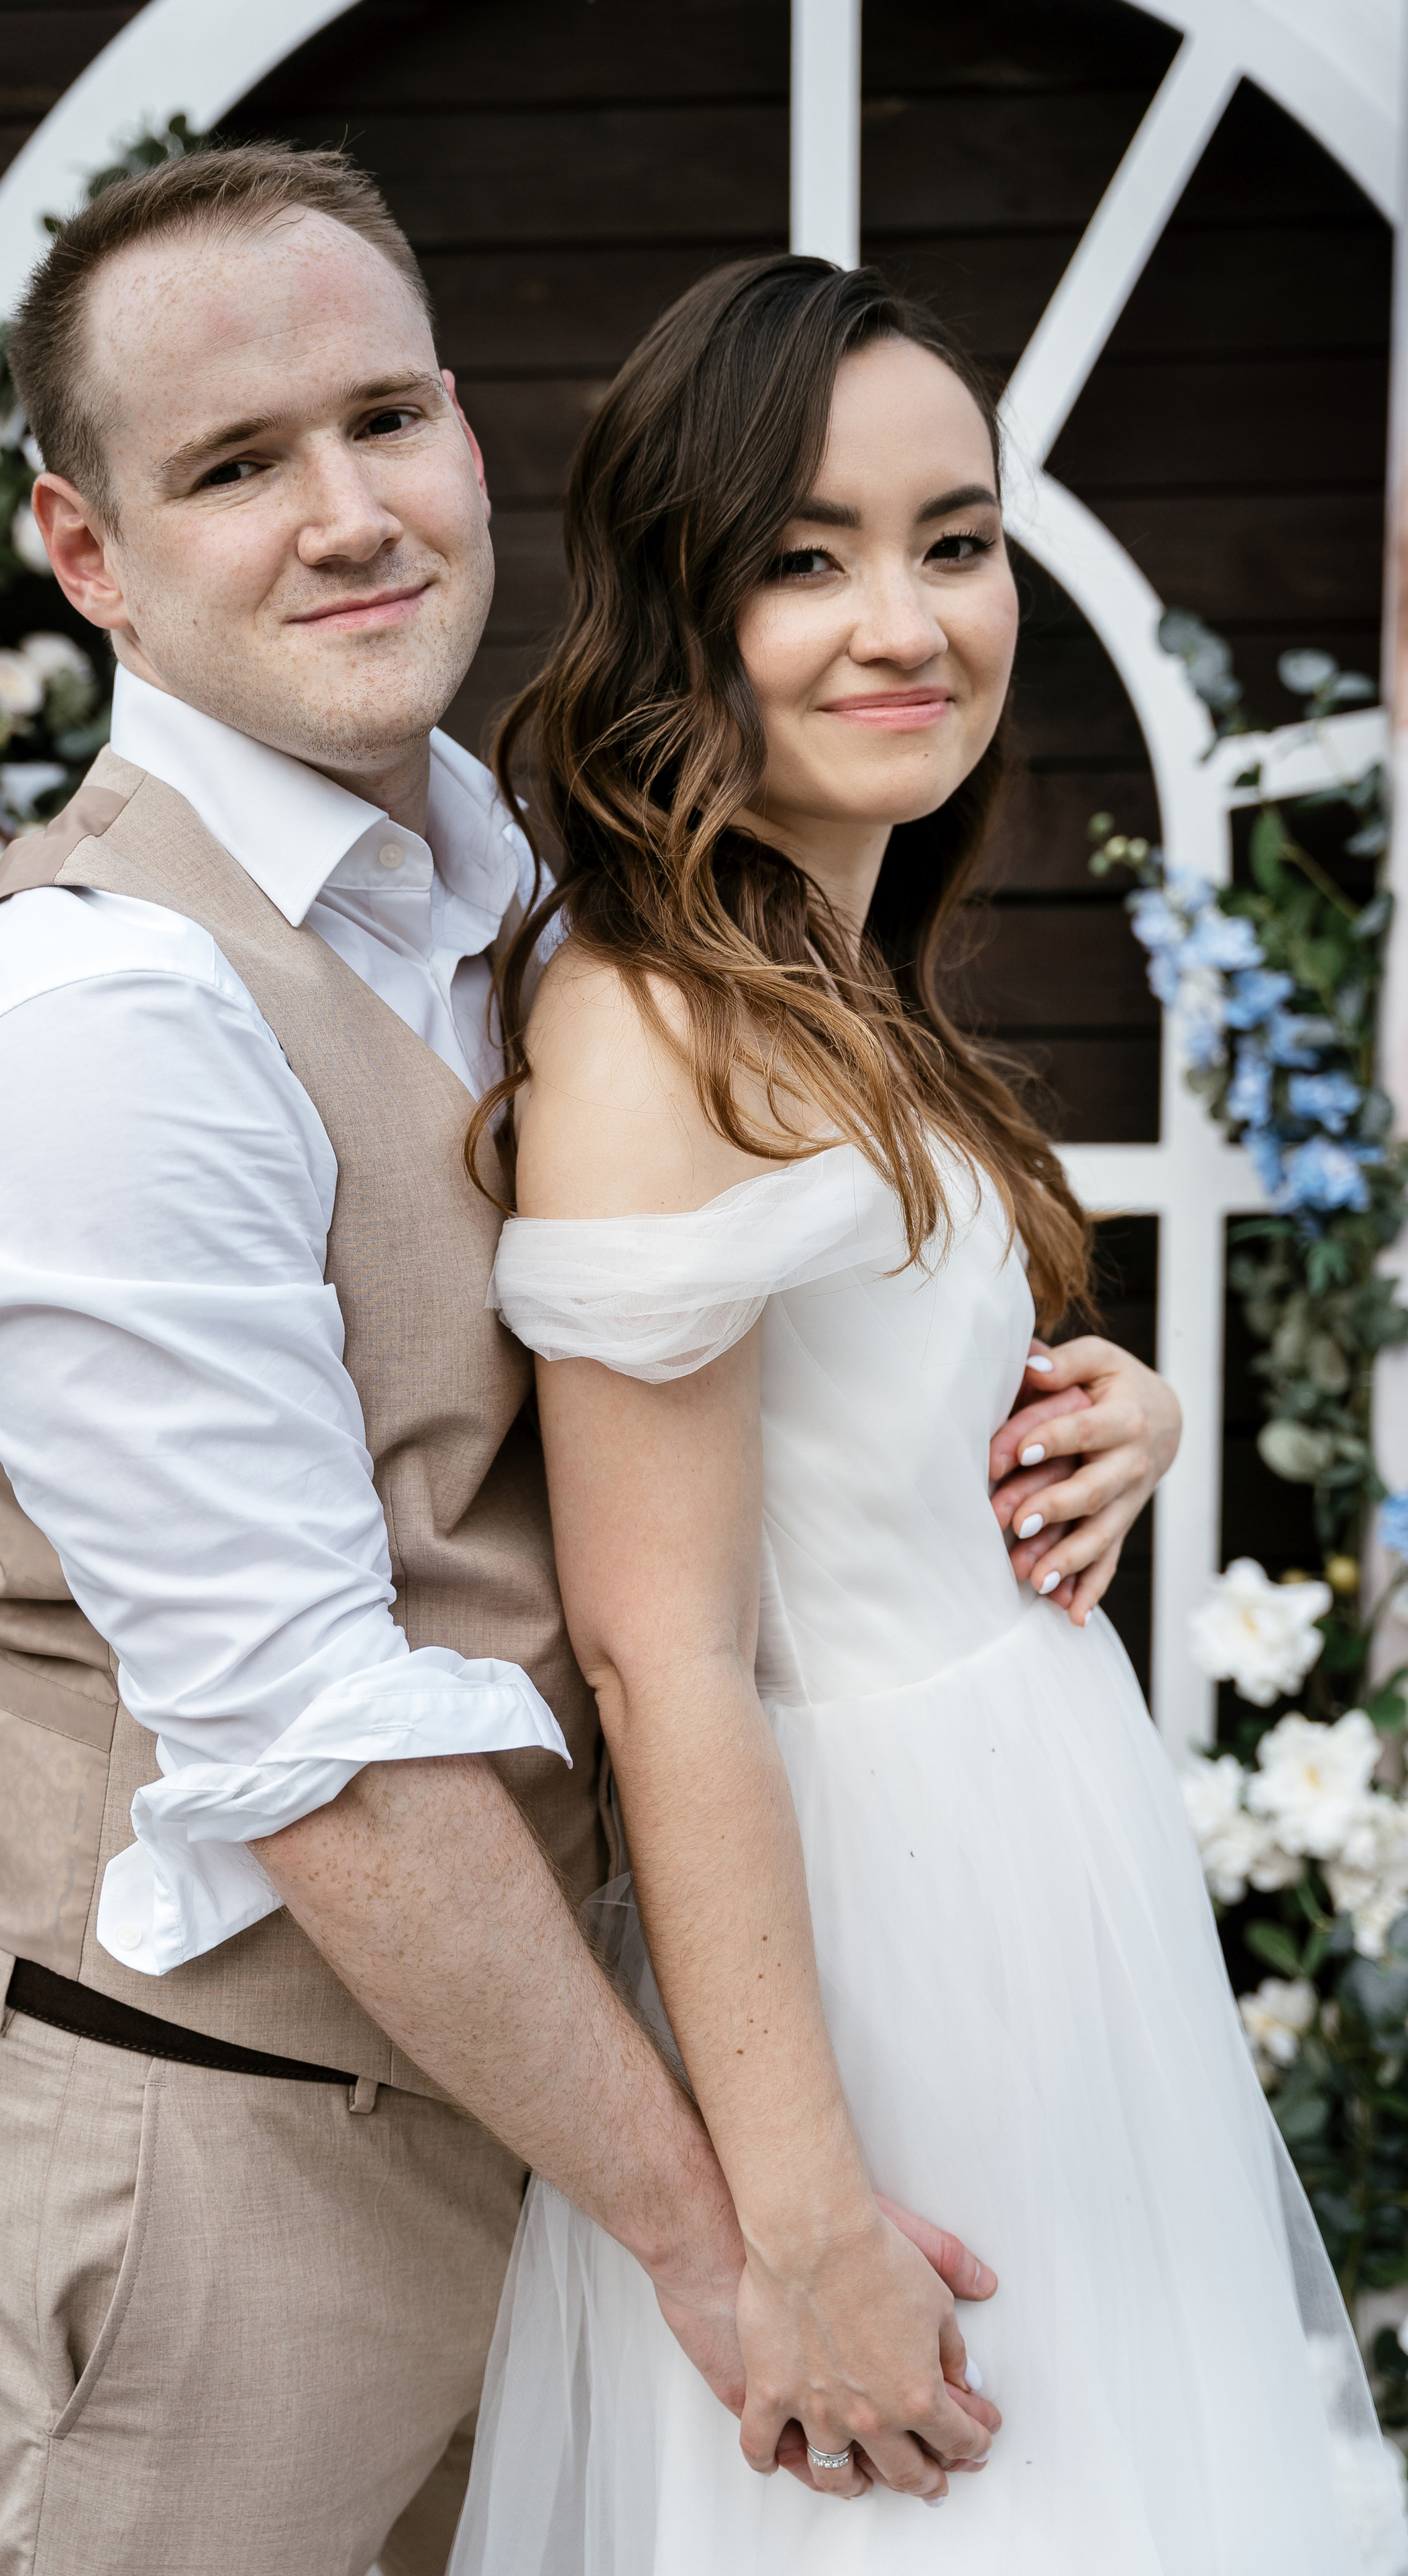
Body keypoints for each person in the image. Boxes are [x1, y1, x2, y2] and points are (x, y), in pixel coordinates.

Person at [0, 151, 1013, 2576]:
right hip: (213, 2180)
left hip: (557, 2121)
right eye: (236, 467)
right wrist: (736, 2243)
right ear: (87, 554)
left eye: (388, 420)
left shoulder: (520, 874)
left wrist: (1077, 1405)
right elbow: (317, 1747)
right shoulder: (99, 1013)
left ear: (474, 438)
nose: (351, 515)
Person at [450, 254, 1408, 2574]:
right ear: (685, 602)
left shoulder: (827, 967)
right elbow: (664, 1654)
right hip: (878, 1968)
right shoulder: (654, 1017)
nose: (908, 619)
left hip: (1028, 1880)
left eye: (952, 540)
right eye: (806, 558)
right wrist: (803, 2224)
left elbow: (873, 1392)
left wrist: (1110, 1406)